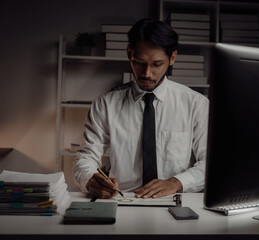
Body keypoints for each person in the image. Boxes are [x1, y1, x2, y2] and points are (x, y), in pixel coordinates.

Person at [73, 18, 209, 199]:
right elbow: (86, 157)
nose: (146, 73)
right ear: (129, 53)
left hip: (177, 200)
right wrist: (91, 180)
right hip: (122, 200)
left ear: (173, 58)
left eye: (157, 64)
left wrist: (177, 182)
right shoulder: (105, 104)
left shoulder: (196, 104)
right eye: (139, 62)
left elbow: (212, 162)